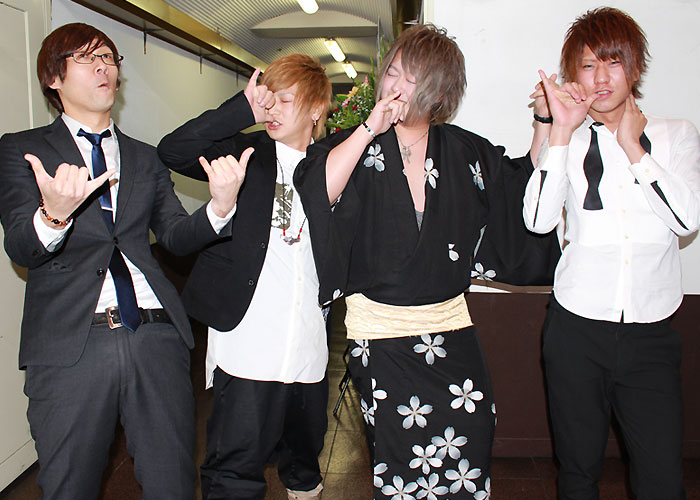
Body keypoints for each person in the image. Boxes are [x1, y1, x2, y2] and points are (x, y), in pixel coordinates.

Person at [294, 24, 559, 499]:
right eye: (393, 71)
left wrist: (544, 121)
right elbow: (319, 192)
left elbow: (518, 186)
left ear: (439, 93)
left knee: (471, 444)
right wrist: (369, 129)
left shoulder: (464, 150)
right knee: (401, 467)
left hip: (453, 332)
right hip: (381, 336)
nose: (396, 84)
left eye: (412, 78)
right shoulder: (357, 143)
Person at [0, 22, 247, 499]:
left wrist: (219, 207)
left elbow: (174, 235)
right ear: (53, 77)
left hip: (154, 335)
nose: (103, 68)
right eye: (87, 58)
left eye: (109, 58)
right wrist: (53, 215)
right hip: (71, 343)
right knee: (68, 486)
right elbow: (21, 246)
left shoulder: (144, 157)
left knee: (173, 483)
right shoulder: (23, 150)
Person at [524, 7, 700, 500]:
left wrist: (634, 148)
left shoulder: (675, 134)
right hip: (575, 328)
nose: (601, 78)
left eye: (613, 62)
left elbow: (686, 221)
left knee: (662, 477)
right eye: (587, 65)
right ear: (573, 75)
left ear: (635, 67)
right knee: (578, 472)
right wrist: (559, 131)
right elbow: (536, 220)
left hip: (650, 332)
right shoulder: (568, 139)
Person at [157, 53, 332, 500]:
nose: (273, 110)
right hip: (249, 336)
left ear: (316, 108)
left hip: (308, 339)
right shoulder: (244, 152)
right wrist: (244, 109)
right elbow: (172, 150)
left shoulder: (334, 164)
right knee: (235, 463)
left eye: (284, 100)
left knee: (305, 456)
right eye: (268, 100)